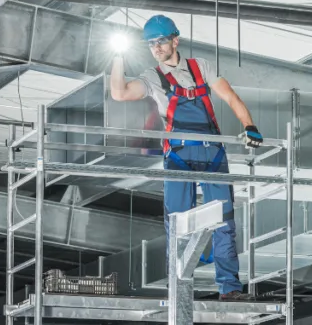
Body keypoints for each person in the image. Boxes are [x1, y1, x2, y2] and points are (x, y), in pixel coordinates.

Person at [109, 15, 264, 300]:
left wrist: (249, 126)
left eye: (160, 41)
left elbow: (230, 97)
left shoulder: (200, 67)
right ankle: (179, 288)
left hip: (212, 151)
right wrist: (118, 55)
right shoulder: (151, 77)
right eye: (150, 44)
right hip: (178, 154)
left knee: (224, 219)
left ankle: (229, 289)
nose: (155, 48)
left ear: (175, 40)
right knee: (178, 222)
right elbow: (119, 93)